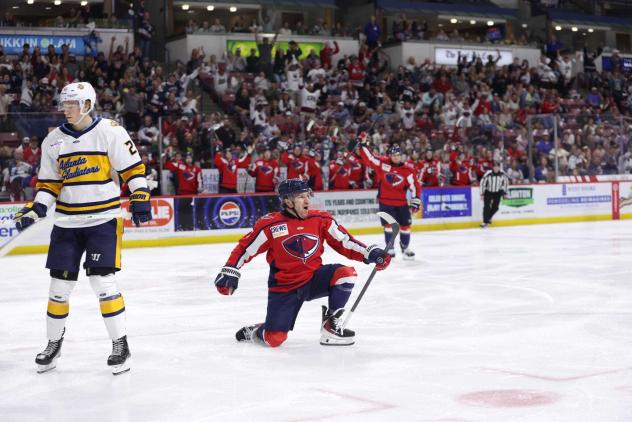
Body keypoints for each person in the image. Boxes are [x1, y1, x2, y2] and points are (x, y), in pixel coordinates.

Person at [12, 82, 153, 375]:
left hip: (103, 220)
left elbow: (134, 169)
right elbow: (49, 184)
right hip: (66, 223)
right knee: (58, 289)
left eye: (72, 104)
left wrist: (140, 196)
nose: (66, 109)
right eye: (64, 104)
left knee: (103, 284)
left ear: (88, 104)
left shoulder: (111, 131)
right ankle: (53, 343)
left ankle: (120, 345)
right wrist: (36, 207)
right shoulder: (53, 140)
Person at [213, 178, 391, 347]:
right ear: (287, 202)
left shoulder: (322, 220)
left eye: (307, 196)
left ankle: (331, 326)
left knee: (346, 274)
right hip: (284, 288)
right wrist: (230, 270)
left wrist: (370, 253)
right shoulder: (270, 225)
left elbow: (345, 242)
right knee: (274, 339)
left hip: (313, 279)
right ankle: (258, 330)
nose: (307, 200)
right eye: (300, 197)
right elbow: (245, 249)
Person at [358, 139, 421, 260]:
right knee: (388, 226)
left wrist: (416, 199)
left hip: (401, 203)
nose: (396, 157)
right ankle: (390, 248)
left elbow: (415, 186)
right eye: (393, 155)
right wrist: (363, 145)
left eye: (398, 155)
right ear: (389, 156)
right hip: (385, 202)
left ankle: (405, 248)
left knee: (406, 226)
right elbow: (369, 158)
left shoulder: (408, 170)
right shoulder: (383, 164)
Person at [479, 161, 509, 228]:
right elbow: (482, 183)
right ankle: (485, 222)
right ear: (492, 167)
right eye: (495, 167)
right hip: (488, 191)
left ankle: (488, 218)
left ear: (499, 167)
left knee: (495, 207)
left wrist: (506, 192)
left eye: (497, 167)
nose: (496, 168)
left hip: (498, 192)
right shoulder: (488, 173)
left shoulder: (502, 173)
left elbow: (506, 183)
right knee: (486, 207)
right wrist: (482, 193)